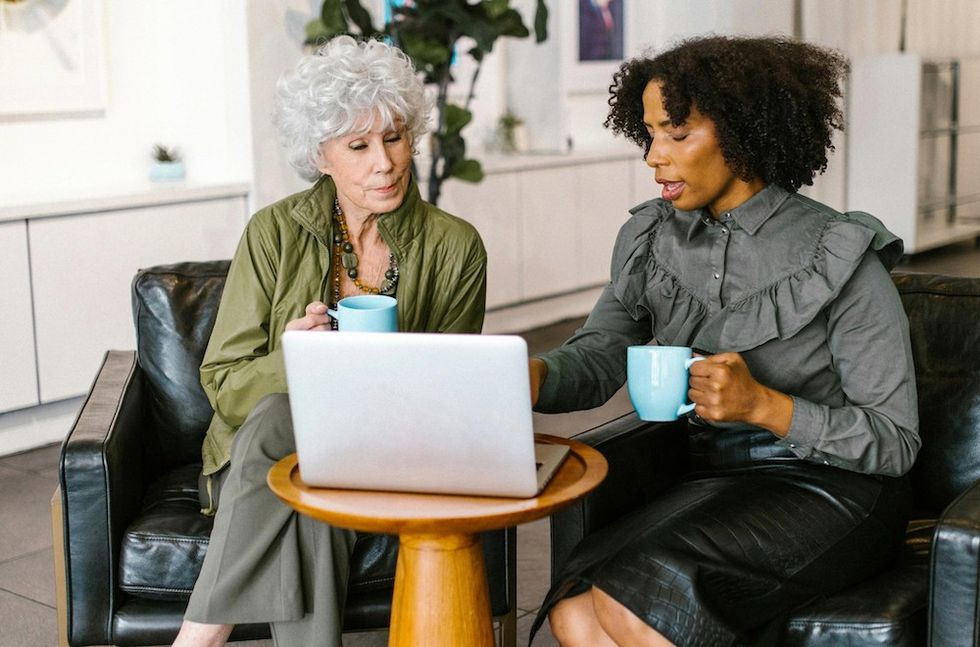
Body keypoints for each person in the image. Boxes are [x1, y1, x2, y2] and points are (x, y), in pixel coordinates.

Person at [528, 35, 920, 646]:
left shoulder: (838, 252)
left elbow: (894, 442)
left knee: (634, 604)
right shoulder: (651, 239)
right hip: (712, 478)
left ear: (740, 135)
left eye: (678, 134)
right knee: (574, 610)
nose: (655, 156)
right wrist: (531, 376)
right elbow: (600, 353)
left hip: (836, 489)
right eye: (651, 132)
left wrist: (763, 406)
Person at [173, 35, 487, 647]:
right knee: (281, 429)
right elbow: (224, 388)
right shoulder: (271, 233)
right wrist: (295, 360)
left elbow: (451, 394)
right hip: (263, 459)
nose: (385, 163)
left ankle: (200, 634)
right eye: (358, 145)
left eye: (394, 137)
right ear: (321, 156)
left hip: (393, 449)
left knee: (297, 447)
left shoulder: (457, 246)